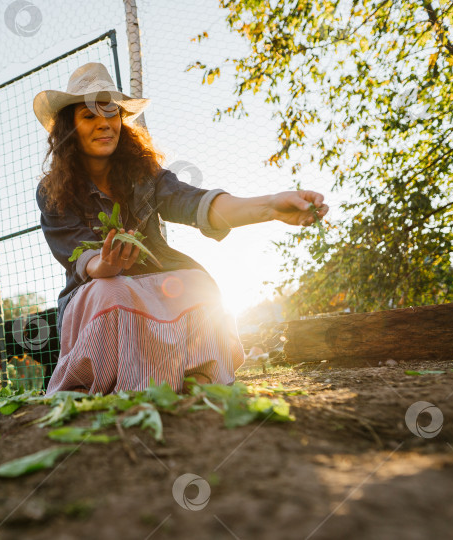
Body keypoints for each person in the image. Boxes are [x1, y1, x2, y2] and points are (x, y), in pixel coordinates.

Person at [32, 63, 328, 395]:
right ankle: (110, 386)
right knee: (112, 290)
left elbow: (195, 203)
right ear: (70, 127)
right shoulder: (51, 191)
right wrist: (105, 265)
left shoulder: (145, 175)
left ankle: (196, 380)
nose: (104, 123)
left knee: (197, 282)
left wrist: (271, 206)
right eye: (89, 116)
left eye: (111, 113)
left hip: (153, 284)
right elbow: (76, 253)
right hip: (94, 291)